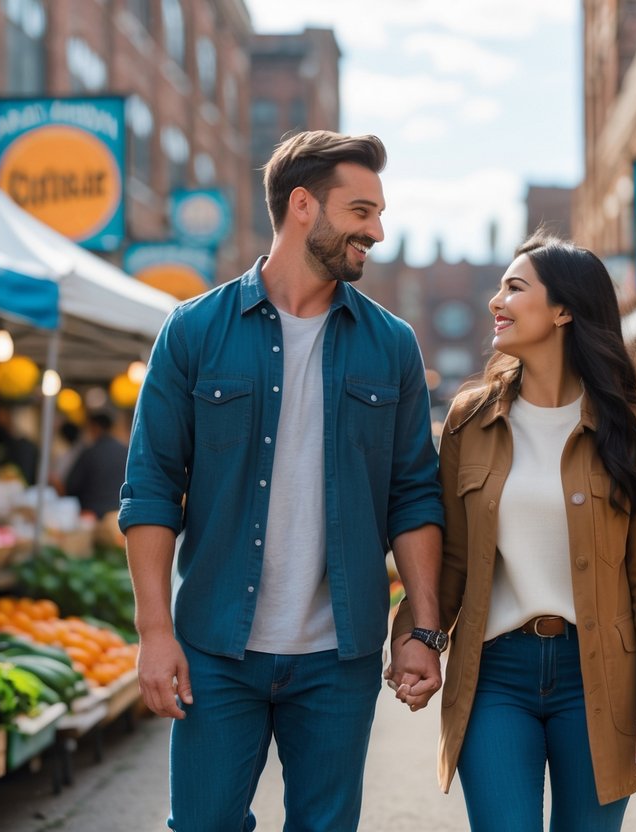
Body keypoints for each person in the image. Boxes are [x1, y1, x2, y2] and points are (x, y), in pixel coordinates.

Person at [118, 131, 444, 832]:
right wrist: (153, 630)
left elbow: (413, 494)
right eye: (360, 211)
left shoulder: (391, 345)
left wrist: (423, 627)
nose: (376, 231)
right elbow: (149, 489)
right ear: (302, 206)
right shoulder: (193, 331)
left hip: (338, 655)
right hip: (214, 647)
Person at [391, 233, 636, 831]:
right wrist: (416, 636)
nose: (495, 301)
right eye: (499, 287)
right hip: (495, 674)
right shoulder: (469, 420)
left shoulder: (633, 427)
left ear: (564, 310)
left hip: (601, 677)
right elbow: (451, 557)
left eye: (514, 287)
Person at [64, 413, 128, 518]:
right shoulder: (126, 452)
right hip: (119, 513)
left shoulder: (89, 453)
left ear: (95, 427)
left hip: (91, 514)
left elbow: (72, 486)